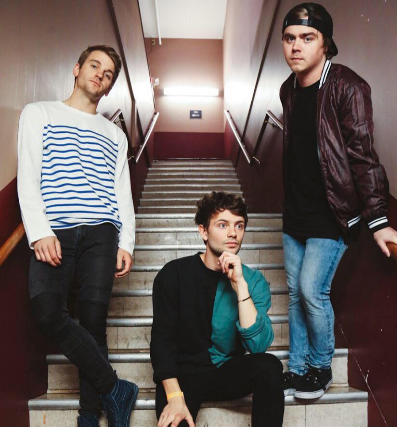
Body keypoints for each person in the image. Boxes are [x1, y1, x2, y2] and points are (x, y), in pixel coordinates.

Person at [279, 3, 397, 399]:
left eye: (307, 38)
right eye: (289, 38)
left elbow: (363, 155)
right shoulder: (287, 89)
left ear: (326, 44)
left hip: (332, 214)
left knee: (311, 290)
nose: (296, 46)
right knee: (294, 293)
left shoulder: (347, 86)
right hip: (295, 213)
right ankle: (297, 366)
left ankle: (320, 368)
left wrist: (378, 220)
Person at [17, 45, 138, 427]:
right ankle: (116, 387)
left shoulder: (115, 134)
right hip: (55, 230)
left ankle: (89, 416)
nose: (100, 74)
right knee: (48, 313)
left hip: (102, 233)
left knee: (93, 322)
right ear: (77, 68)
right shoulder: (39, 113)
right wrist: (39, 232)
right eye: (94, 65)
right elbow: (28, 176)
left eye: (108, 73)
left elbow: (122, 192)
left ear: (109, 87)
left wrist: (126, 242)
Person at [150, 191, 284, 427]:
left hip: (224, 370)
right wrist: (174, 397)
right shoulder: (173, 274)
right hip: (181, 377)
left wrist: (240, 285)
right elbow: (162, 341)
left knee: (270, 366)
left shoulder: (253, 281)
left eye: (239, 225)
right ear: (203, 231)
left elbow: (258, 346)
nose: (233, 233)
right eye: (223, 225)